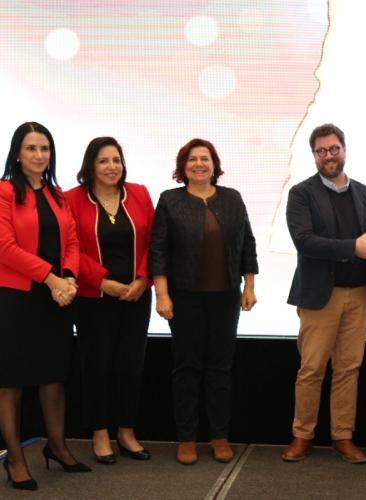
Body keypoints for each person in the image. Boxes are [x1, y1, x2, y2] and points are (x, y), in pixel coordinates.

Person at [282, 123, 366, 464]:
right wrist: (352, 248)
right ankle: (302, 435)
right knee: (312, 369)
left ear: (344, 150)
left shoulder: (365, 193)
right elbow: (305, 241)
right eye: (321, 151)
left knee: (348, 368)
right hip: (319, 296)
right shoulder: (301, 193)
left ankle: (342, 436)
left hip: (359, 294)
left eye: (334, 148)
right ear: (314, 156)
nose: (328, 155)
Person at [0, 122, 91, 491]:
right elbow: (6, 248)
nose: (39, 155)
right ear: (17, 153)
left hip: (56, 297)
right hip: (15, 298)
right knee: (11, 381)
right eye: (31, 148)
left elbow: (73, 242)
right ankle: (15, 459)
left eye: (44, 148)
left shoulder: (58, 195)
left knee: (53, 376)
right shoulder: (1, 191)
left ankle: (57, 447)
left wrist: (69, 278)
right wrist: (52, 279)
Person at [148, 138, 258, 465]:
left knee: (220, 368)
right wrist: (162, 294)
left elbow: (248, 244)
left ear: (214, 165)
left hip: (226, 297)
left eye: (205, 158)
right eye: (193, 159)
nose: (199, 164)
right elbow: (158, 250)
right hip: (184, 298)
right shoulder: (170, 200)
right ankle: (187, 437)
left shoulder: (232, 198)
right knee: (187, 367)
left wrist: (249, 286)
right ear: (183, 167)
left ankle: (219, 436)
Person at [66, 137, 155, 464]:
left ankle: (127, 432)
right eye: (103, 160)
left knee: (131, 365)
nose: (111, 166)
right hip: (93, 298)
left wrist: (143, 279)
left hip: (136, 296)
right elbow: (71, 248)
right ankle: (100, 433)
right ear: (90, 165)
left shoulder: (140, 194)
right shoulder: (71, 199)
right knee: (97, 366)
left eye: (116, 160)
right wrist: (104, 283)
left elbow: (155, 241)